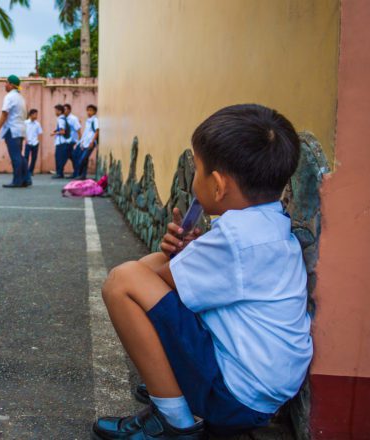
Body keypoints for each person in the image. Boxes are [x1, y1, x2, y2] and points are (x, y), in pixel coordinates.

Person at [93, 104, 312, 439]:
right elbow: (166, 276)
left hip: (234, 399)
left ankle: (174, 421)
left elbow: (153, 283)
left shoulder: (235, 237)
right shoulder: (268, 223)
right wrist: (184, 254)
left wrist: (177, 257)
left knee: (121, 282)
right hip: (261, 393)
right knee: (144, 270)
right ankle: (173, 385)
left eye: (197, 168)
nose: (194, 177)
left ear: (218, 185)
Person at [0, 75, 29, 188]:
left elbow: (4, 114)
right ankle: (26, 179)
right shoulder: (21, 98)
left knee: (15, 157)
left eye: (6, 82)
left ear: (11, 85)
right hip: (21, 129)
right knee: (19, 156)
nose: (5, 85)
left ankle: (17, 181)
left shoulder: (9, 97)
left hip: (12, 129)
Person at [72, 104, 99, 179]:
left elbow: (97, 131)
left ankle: (80, 175)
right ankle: (83, 176)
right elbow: (86, 133)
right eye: (88, 110)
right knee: (84, 160)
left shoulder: (95, 120)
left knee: (82, 159)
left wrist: (92, 142)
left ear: (95, 112)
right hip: (85, 143)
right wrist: (81, 142)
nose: (89, 112)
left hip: (90, 143)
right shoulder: (88, 121)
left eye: (91, 110)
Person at [51, 104, 69, 178]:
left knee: (59, 158)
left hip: (61, 142)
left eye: (56, 111)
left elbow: (62, 131)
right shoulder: (62, 118)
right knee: (59, 158)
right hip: (61, 142)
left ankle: (59, 173)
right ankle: (59, 173)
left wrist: (54, 133)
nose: (55, 112)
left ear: (60, 111)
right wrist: (56, 131)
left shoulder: (61, 119)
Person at [24, 109, 43, 177]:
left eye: (37, 114)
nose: (36, 116)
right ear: (31, 115)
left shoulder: (37, 124)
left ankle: (30, 171)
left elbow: (40, 133)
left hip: (35, 143)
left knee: (34, 158)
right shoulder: (25, 123)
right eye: (35, 114)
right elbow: (23, 131)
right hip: (28, 143)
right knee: (26, 157)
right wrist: (25, 139)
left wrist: (38, 141)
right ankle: (25, 171)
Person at [64, 103, 82, 174]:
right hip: (68, 141)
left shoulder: (73, 119)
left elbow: (78, 130)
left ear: (69, 110)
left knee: (73, 157)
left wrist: (79, 141)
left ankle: (76, 172)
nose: (64, 111)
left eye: (65, 109)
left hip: (73, 141)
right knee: (71, 156)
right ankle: (76, 172)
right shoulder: (64, 119)